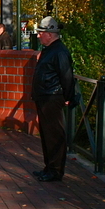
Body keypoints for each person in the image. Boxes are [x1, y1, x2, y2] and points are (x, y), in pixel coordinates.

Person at [31, 16, 75, 183]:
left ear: (49, 34)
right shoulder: (51, 50)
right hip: (45, 97)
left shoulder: (59, 52)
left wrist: (68, 97)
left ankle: (55, 170)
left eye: (41, 32)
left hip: (52, 97)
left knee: (54, 135)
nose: (38, 35)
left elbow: (67, 76)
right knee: (47, 135)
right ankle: (49, 167)